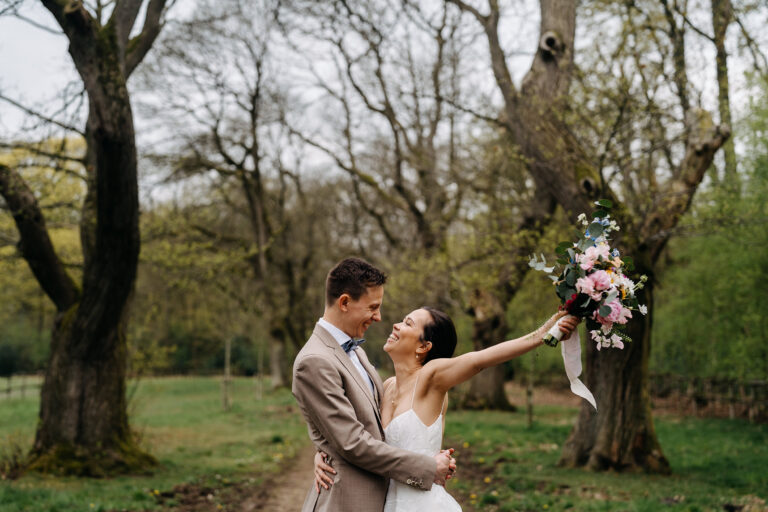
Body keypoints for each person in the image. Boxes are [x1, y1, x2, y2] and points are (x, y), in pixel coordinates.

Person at [313, 305, 579, 511]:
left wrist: (542, 334)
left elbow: (479, 361)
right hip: (385, 504)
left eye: (407, 323)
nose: (394, 324)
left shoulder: (431, 377)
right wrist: (322, 453)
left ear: (423, 346)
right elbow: (352, 431)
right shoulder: (387, 386)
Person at [292, 257, 456, 512]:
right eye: (373, 307)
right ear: (345, 302)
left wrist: (423, 448)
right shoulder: (315, 361)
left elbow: (373, 425)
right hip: (344, 502)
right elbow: (351, 443)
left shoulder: (356, 352)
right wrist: (426, 467)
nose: (379, 317)